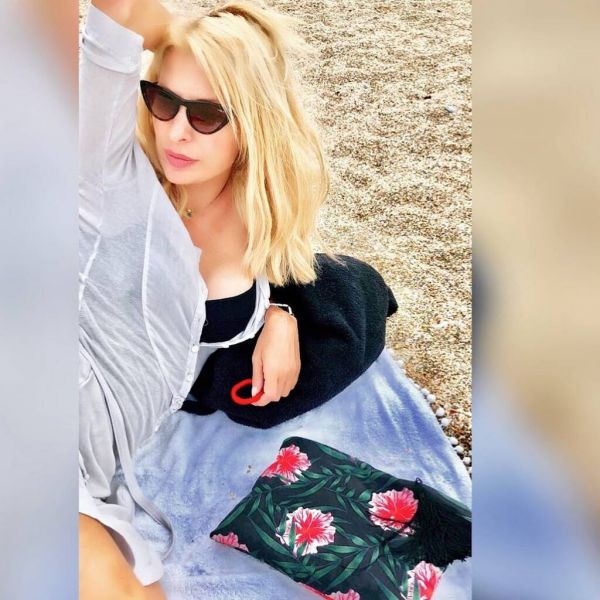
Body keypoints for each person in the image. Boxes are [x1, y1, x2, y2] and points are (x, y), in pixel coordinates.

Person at [78, 0, 331, 598]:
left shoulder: (264, 223)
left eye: (208, 113)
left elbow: (332, 277)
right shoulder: (112, 177)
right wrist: (177, 33)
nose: (176, 131)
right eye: (163, 101)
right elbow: (111, 25)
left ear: (255, 119)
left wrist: (281, 313)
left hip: (99, 468)